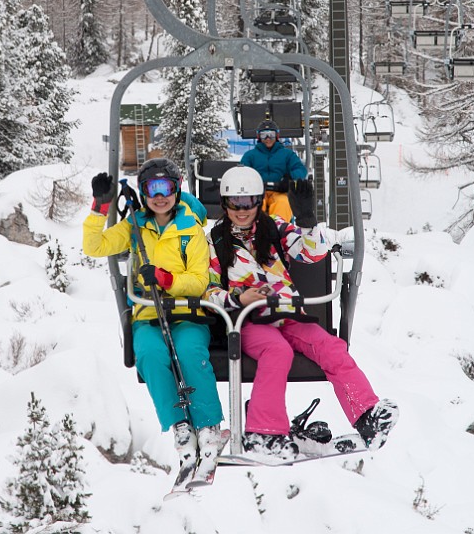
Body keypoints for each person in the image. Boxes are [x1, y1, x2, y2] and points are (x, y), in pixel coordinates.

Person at [206, 165, 398, 460]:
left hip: (286, 314)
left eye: (249, 203)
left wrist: (308, 222)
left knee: (330, 346)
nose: (242, 210)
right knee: (276, 351)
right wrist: (238, 297)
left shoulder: (274, 229)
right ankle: (263, 434)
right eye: (235, 203)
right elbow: (208, 291)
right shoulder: (215, 242)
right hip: (247, 319)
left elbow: (313, 253)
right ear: (225, 204)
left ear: (259, 201)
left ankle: (365, 415)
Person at [83, 157, 224, 472]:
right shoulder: (136, 226)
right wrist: (99, 208)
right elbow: (95, 246)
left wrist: (167, 280)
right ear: (143, 193)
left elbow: (200, 279)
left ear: (176, 190)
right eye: (151, 188)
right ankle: (180, 428)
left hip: (188, 311)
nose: (160, 196)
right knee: (149, 354)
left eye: (166, 188)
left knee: (189, 352)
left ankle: (208, 425)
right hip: (149, 313)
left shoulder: (192, 229)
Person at [240, 119, 307, 222]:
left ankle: (279, 229)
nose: (268, 138)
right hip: (257, 192)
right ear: (258, 137)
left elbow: (300, 169)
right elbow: (242, 172)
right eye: (264, 135)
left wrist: (289, 179)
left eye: (271, 134)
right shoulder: (250, 155)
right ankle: (255, 228)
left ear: (277, 136)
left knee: (283, 203)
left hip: (280, 191)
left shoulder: (287, 154)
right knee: (255, 205)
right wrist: (250, 182)